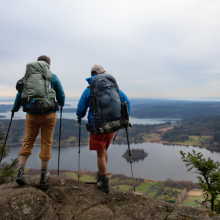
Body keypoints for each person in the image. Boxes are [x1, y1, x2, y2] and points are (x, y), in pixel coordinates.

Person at [76, 64, 130, 193]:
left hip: (98, 126)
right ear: (103, 72)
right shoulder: (114, 88)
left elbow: (80, 111)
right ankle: (102, 175)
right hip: (113, 125)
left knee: (100, 153)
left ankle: (103, 182)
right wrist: (124, 118)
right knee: (104, 150)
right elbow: (126, 102)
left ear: (92, 75)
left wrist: (79, 116)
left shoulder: (89, 89)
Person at [12, 55, 65, 185]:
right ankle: (43, 173)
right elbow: (61, 94)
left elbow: (20, 94)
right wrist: (61, 104)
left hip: (31, 115)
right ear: (48, 65)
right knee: (46, 143)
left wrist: (15, 108)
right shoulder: (52, 77)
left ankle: (20, 171)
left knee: (28, 141)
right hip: (49, 115)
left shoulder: (28, 77)